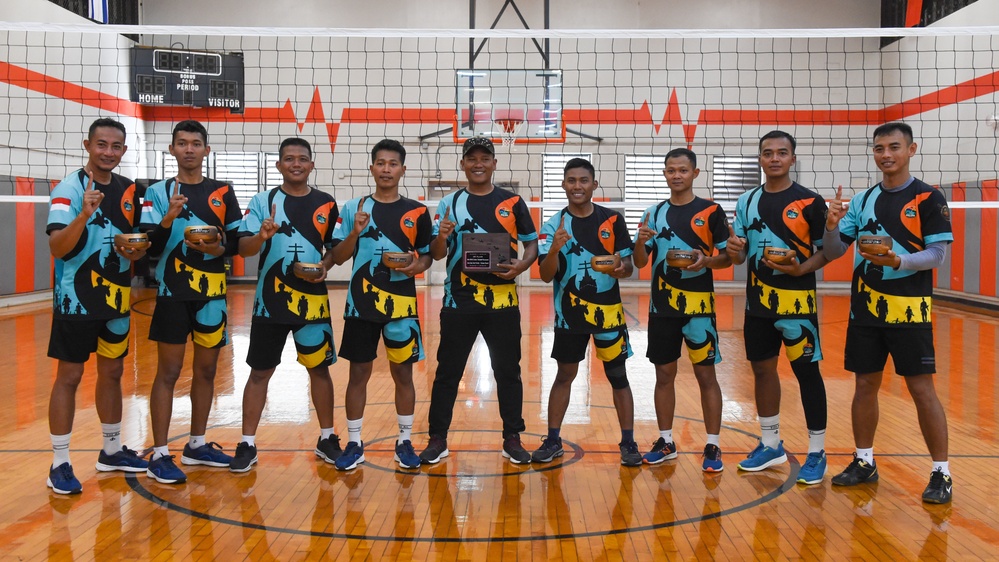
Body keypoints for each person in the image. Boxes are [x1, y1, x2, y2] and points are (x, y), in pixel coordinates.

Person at [823, 122, 954, 504]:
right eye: (879, 148)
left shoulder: (929, 198)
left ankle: (941, 472)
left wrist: (898, 260)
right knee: (864, 385)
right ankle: (864, 462)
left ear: (911, 150)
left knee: (921, 389)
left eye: (894, 147)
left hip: (910, 311)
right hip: (865, 310)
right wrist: (831, 227)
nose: (886, 154)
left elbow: (937, 256)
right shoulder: (862, 200)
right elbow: (833, 251)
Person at [419, 137, 538, 465]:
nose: (478, 163)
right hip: (459, 302)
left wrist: (521, 265)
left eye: (485, 158)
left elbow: (531, 246)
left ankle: (512, 438)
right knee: (448, 373)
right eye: (471, 158)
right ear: (463, 165)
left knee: (508, 371)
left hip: (502, 302)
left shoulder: (513, 203)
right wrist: (441, 236)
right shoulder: (448, 204)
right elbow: (437, 254)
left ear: (494, 163)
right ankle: (437, 438)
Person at [45, 118, 148, 494]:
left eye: (116, 146)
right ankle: (59, 462)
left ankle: (111, 450)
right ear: (88, 145)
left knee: (114, 374)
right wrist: (84, 215)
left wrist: (137, 248)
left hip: (116, 301)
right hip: (76, 300)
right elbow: (57, 247)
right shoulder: (67, 189)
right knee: (69, 378)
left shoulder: (129, 190)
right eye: (101, 145)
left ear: (123, 150)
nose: (108, 152)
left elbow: (137, 241)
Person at [228, 138, 341, 472]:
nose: (296, 164)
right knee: (260, 372)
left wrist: (326, 265)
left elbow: (334, 248)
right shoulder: (263, 201)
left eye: (302, 159)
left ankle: (327, 438)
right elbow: (244, 250)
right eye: (289, 159)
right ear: (278, 165)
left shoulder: (326, 203)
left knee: (319, 369)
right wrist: (261, 236)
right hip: (270, 302)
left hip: (313, 303)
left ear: (311, 164)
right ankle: (247, 443)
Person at [140, 120, 243, 484]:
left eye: (195, 143)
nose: (188, 149)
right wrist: (168, 217)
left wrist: (217, 247)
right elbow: (148, 245)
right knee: (167, 373)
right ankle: (161, 452)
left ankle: (197, 444)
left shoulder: (222, 192)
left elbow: (234, 243)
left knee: (207, 372)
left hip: (211, 295)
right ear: (171, 150)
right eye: (181, 143)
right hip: (171, 295)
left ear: (206, 151)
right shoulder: (156, 192)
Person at [725, 130, 830, 485]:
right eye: (767, 152)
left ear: (792, 159)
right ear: (760, 158)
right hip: (758, 305)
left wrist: (800, 268)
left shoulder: (811, 202)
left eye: (781, 153)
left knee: (807, 374)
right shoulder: (746, 201)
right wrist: (733, 246)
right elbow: (737, 255)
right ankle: (771, 443)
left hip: (798, 306)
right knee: (763, 372)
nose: (774, 158)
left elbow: (827, 251)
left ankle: (817, 451)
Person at [329, 139, 433, 471]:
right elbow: (338, 257)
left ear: (402, 169)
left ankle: (405, 440)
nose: (386, 169)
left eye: (393, 164)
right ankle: (354, 442)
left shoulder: (416, 211)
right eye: (380, 163)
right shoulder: (353, 208)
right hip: (361, 305)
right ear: (371, 167)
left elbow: (429, 253)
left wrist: (418, 266)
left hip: (401, 307)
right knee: (357, 373)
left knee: (403, 373)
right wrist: (354, 233)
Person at [532, 157, 642, 467]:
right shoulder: (553, 225)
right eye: (571, 180)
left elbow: (628, 266)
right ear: (563, 184)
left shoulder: (612, 220)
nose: (577, 186)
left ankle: (628, 442)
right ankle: (553, 440)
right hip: (570, 316)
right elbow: (544, 274)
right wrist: (553, 248)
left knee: (617, 376)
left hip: (609, 315)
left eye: (583, 180)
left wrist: (622, 269)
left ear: (594, 184)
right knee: (565, 375)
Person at [632, 148, 731, 472]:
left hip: (700, 308)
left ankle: (713, 445)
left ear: (695, 173)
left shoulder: (712, 211)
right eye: (671, 170)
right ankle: (665, 440)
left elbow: (726, 258)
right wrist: (638, 239)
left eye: (683, 170)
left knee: (706, 375)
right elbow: (640, 261)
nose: (677, 175)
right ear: (665, 173)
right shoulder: (653, 213)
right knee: (664, 375)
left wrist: (708, 261)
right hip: (663, 308)